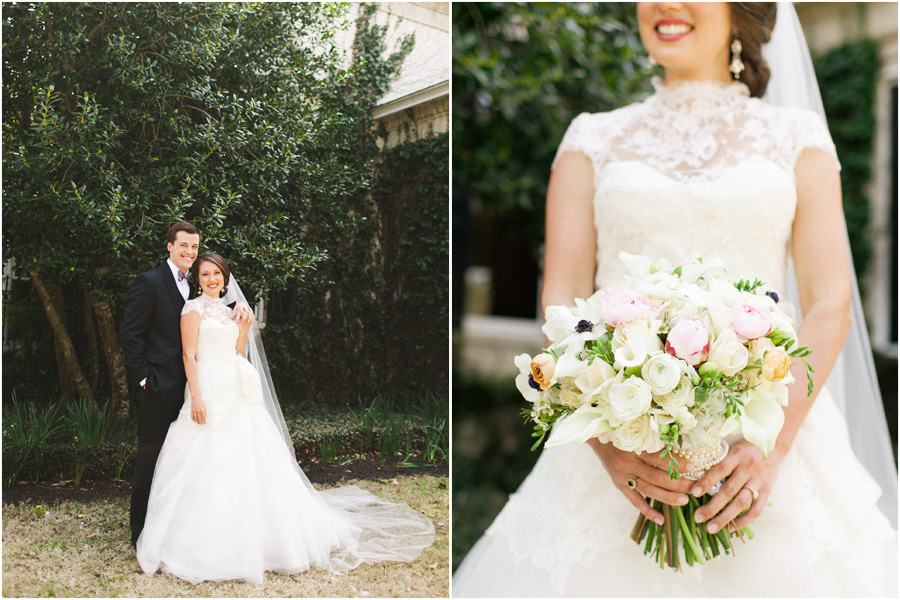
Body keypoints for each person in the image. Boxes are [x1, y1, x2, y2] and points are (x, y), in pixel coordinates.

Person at [452, 3, 897, 597]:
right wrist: (604, 441)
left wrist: (773, 447)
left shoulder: (798, 138)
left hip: (763, 436)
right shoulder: (592, 138)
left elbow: (829, 302)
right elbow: (561, 297)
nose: (664, 4)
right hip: (617, 436)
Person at [135, 253, 434, 584]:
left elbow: (237, 353)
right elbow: (188, 355)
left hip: (233, 386)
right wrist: (198, 397)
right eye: (205, 273)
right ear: (198, 279)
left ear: (225, 277)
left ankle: (263, 539)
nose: (211, 279)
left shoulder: (230, 311)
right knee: (199, 455)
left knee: (247, 458)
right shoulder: (192, 310)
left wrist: (244, 327)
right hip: (206, 385)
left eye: (216, 273)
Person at [119, 221, 253, 547]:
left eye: (194, 247)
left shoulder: (194, 286)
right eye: (183, 246)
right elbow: (130, 333)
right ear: (170, 246)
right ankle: (140, 536)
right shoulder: (149, 282)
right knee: (150, 462)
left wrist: (240, 307)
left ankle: (178, 530)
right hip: (161, 389)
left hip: (199, 387)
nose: (189, 252)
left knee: (184, 464)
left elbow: (213, 309)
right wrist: (144, 378)